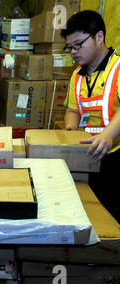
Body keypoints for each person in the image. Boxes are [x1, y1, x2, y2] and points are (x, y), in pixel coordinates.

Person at [62, 10, 120, 222]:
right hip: (87, 154)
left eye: (79, 45)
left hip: (114, 153)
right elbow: (72, 109)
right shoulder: (77, 75)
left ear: (99, 37)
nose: (73, 52)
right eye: (69, 48)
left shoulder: (118, 67)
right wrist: (70, 131)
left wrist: (107, 135)